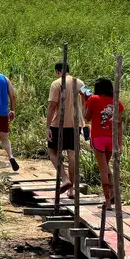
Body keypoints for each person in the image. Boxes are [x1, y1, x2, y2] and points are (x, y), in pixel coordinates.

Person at [83, 77, 124, 208]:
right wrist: (120, 143)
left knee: (103, 170)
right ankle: (113, 197)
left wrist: (86, 100)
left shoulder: (93, 99)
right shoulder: (116, 101)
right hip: (111, 139)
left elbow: (87, 117)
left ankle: (108, 201)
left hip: (98, 139)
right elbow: (119, 124)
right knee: (106, 167)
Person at [47, 62, 85, 195]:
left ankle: (65, 178)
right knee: (72, 154)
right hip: (76, 123)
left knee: (52, 152)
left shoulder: (56, 84)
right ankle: (72, 189)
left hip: (59, 123)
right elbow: (89, 96)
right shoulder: (80, 83)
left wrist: (47, 127)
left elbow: (52, 106)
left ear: (58, 71)